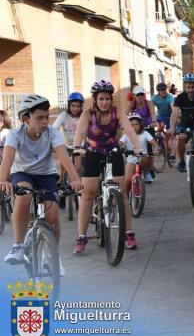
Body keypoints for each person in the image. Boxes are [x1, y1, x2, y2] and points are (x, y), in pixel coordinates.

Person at [1, 95, 83, 272]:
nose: (45, 121)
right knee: (25, 196)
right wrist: (2, 179)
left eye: (47, 117)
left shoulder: (52, 132)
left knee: (52, 215)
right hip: (22, 173)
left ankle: (52, 257)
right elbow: (7, 158)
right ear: (25, 119)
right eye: (40, 118)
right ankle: (18, 246)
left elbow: (63, 156)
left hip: (46, 174)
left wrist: (75, 178)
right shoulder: (15, 135)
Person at [73, 80, 141, 253]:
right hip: (92, 153)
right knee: (88, 193)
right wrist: (77, 147)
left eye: (107, 99)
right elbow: (80, 133)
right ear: (95, 100)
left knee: (122, 193)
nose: (105, 102)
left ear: (111, 100)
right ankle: (81, 236)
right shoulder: (87, 114)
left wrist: (137, 147)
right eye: (101, 99)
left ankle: (128, 233)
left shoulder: (117, 112)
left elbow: (129, 130)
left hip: (113, 151)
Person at [169, 73, 194, 172]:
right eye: (188, 87)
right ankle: (182, 162)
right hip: (185, 124)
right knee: (181, 138)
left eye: (193, 87)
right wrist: (172, 128)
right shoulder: (180, 98)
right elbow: (174, 114)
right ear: (185, 86)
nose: (190, 90)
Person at [53, 92, 84, 196]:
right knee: (63, 168)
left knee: (78, 168)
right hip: (65, 145)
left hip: (79, 145)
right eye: (73, 106)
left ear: (81, 107)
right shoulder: (63, 115)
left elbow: (89, 130)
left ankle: (78, 187)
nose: (75, 108)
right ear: (69, 105)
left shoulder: (83, 116)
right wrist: (54, 144)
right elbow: (54, 129)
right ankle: (61, 184)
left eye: (78, 106)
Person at [120, 112, 158, 189]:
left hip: (143, 157)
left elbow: (154, 143)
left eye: (136, 124)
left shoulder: (145, 133)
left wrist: (155, 150)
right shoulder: (126, 134)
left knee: (148, 157)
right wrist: (119, 146)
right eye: (131, 125)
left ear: (140, 124)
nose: (134, 127)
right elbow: (121, 143)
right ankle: (126, 198)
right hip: (131, 158)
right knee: (127, 181)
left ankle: (146, 171)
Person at [129, 86, 157, 182]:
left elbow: (153, 113)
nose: (140, 97)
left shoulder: (148, 103)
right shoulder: (131, 105)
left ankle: (147, 171)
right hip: (136, 128)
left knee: (148, 151)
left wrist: (154, 122)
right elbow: (124, 115)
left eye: (142, 94)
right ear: (134, 96)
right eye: (138, 95)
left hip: (148, 128)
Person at [151, 82, 175, 164]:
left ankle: (172, 155)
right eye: (161, 90)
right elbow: (150, 108)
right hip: (161, 117)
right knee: (160, 130)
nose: (163, 91)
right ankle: (162, 145)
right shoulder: (155, 98)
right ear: (158, 91)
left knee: (171, 135)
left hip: (170, 117)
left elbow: (173, 107)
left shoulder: (170, 97)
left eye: (164, 89)